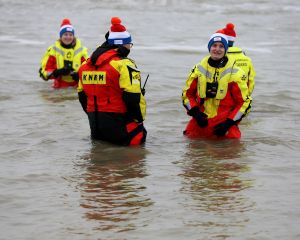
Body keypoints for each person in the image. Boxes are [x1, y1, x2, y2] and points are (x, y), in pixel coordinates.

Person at [77, 17, 147, 146]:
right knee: (134, 157)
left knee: (99, 160)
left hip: (95, 125)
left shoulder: (84, 66)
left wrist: (93, 115)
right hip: (119, 123)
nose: (129, 47)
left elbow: (82, 96)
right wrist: (139, 119)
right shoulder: (123, 64)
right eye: (129, 44)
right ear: (121, 44)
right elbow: (132, 98)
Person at [182, 32, 252, 139]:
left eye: (221, 46)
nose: (217, 49)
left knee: (229, 151)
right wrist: (196, 113)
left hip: (224, 126)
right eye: (214, 45)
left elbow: (244, 102)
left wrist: (228, 123)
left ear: (226, 50)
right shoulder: (198, 69)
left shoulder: (236, 74)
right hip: (200, 123)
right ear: (209, 48)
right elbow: (187, 95)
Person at [39, 18, 88, 89]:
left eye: (70, 35)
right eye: (65, 34)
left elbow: (89, 71)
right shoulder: (52, 51)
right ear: (61, 36)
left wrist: (79, 76)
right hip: (58, 88)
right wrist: (56, 72)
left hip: (77, 87)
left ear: (73, 36)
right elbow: (44, 73)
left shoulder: (82, 50)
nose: (68, 37)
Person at [216, 23, 256, 95]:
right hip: (242, 97)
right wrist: (246, 96)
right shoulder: (246, 57)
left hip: (224, 98)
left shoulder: (219, 57)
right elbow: (251, 80)